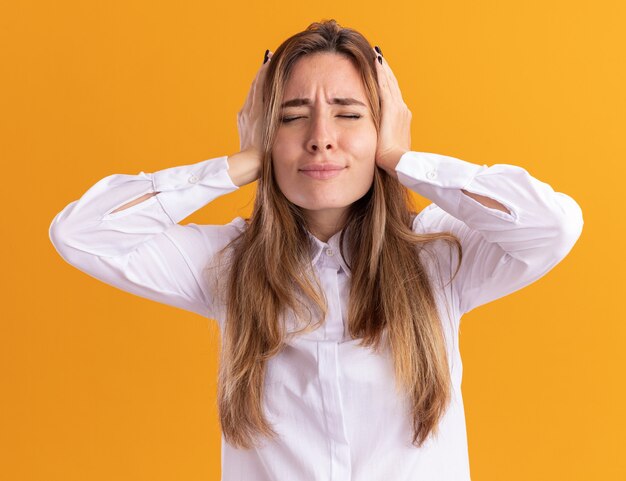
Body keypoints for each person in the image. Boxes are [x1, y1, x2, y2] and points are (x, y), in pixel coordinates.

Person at [48, 19, 584, 481]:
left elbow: (551, 226)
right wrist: (241, 162)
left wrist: (401, 156)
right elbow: (81, 233)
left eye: (349, 114)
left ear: (382, 127)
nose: (320, 136)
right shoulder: (228, 265)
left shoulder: (439, 254)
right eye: (292, 115)